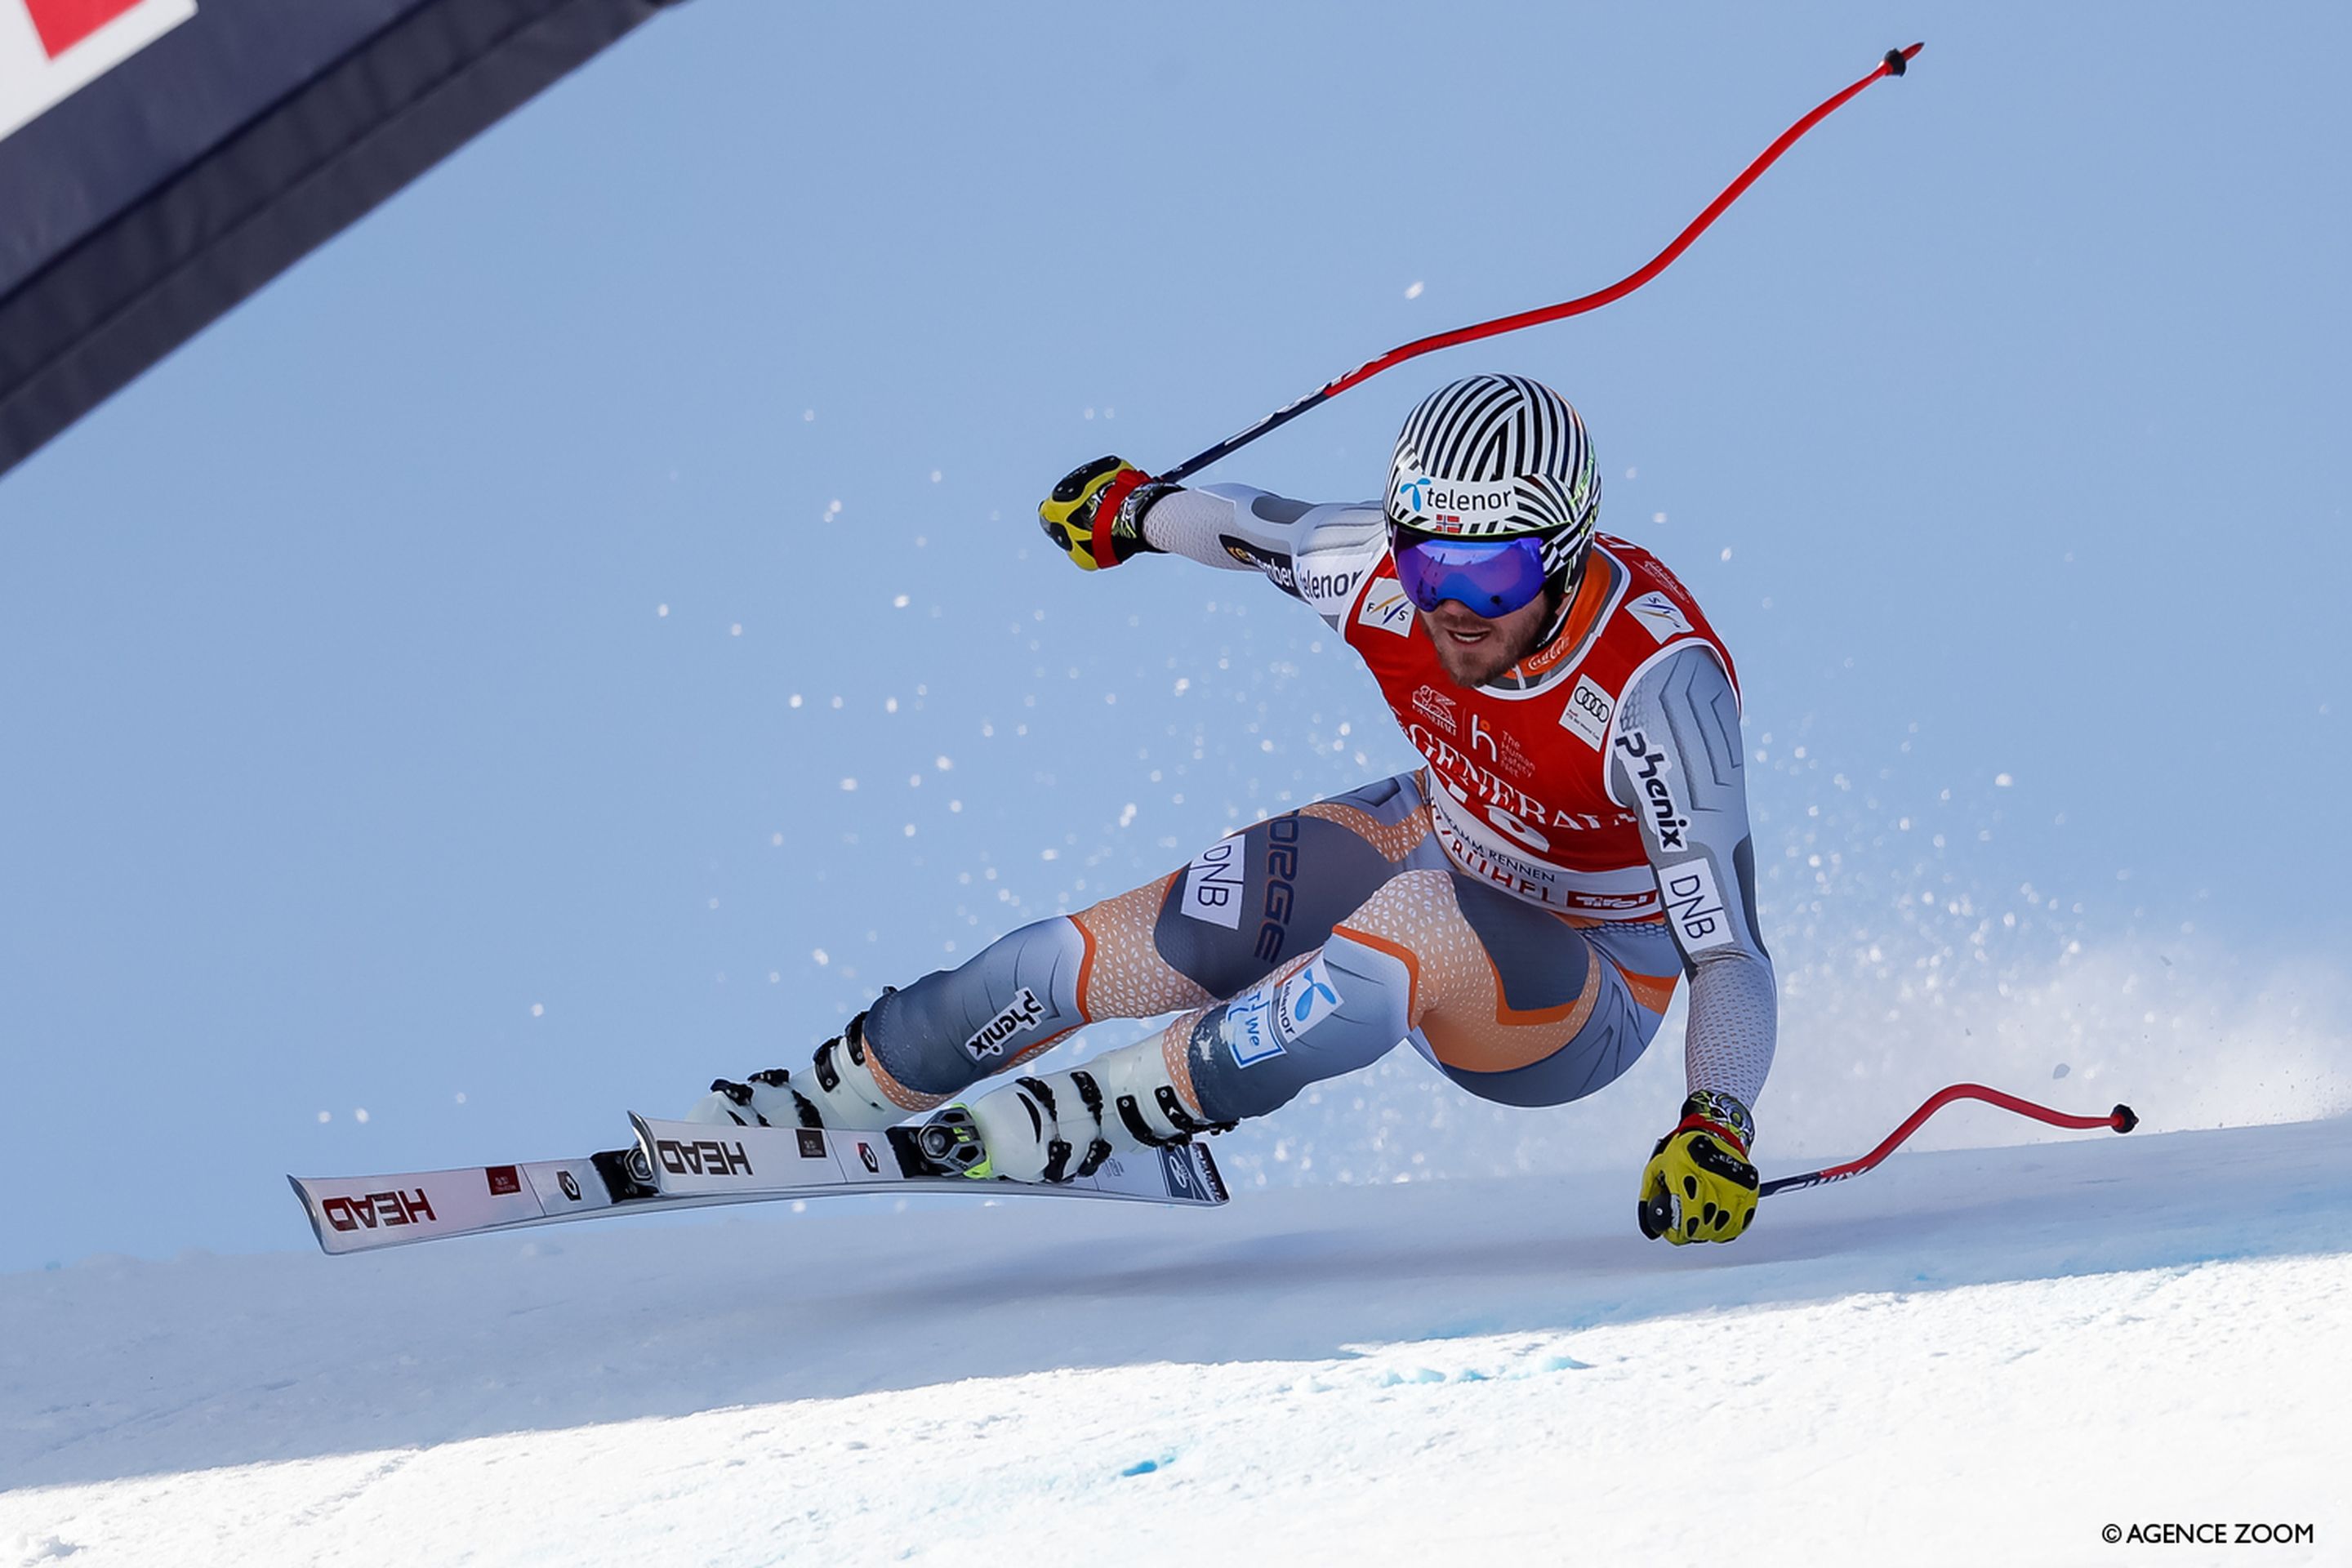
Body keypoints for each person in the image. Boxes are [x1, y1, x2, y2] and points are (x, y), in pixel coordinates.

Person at [692, 372, 1774, 1245]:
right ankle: (823, 1098)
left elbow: (1726, 954)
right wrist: (1134, 512)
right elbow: (1247, 523)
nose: (1450, 607)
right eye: (1429, 560)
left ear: (1567, 553)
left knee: (1413, 929)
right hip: (1439, 834)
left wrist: (1714, 1124)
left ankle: (1123, 1112)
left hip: (1576, 986)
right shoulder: (1378, 575)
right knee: (1131, 944)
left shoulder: (1655, 689)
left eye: (1490, 580)